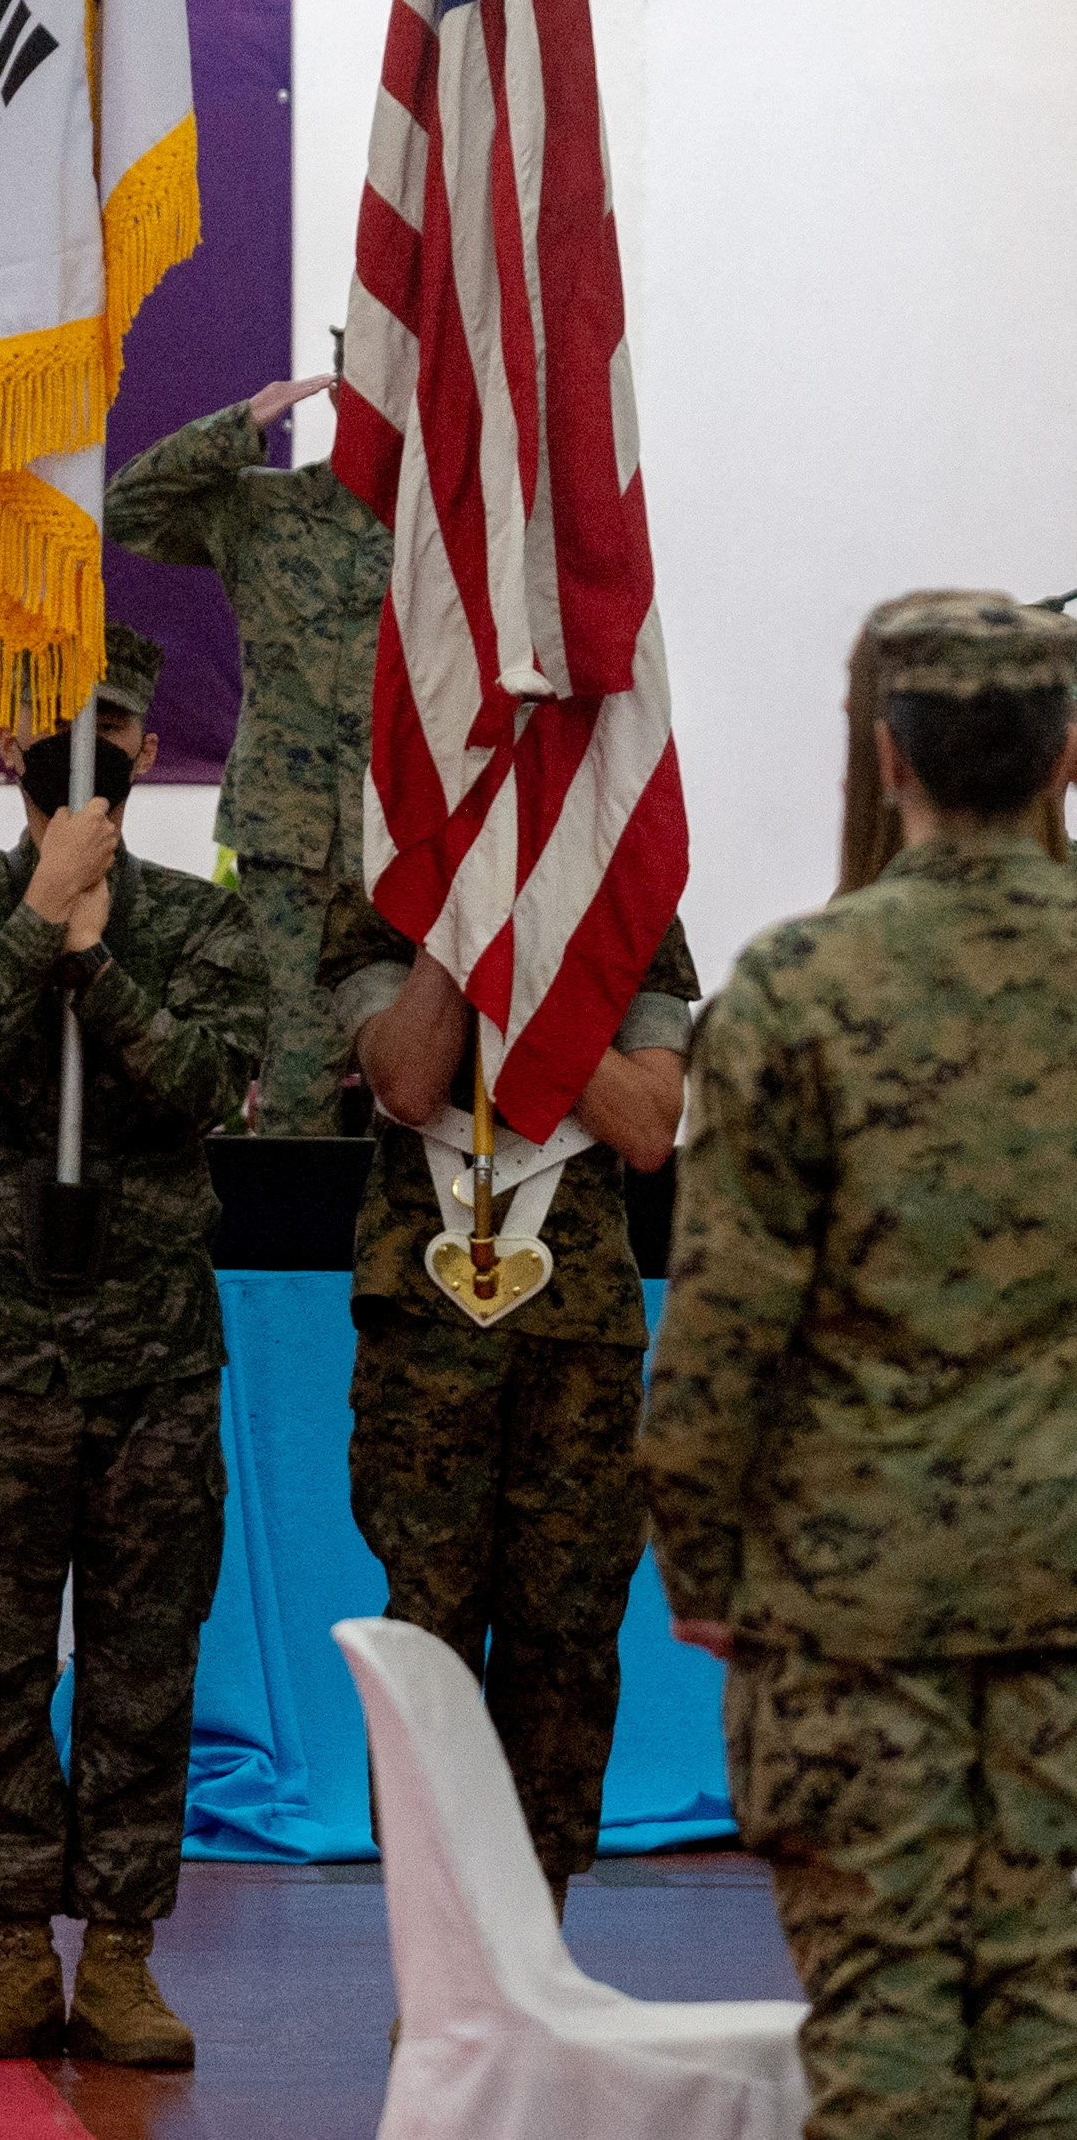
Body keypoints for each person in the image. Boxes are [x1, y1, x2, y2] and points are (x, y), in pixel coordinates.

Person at [646, 590, 1077, 2140]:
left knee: (884, 2013)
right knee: (1058, 2018)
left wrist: (700, 1555)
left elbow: (716, 1331)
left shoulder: (796, 989)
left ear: (886, 758)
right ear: (1064, 760)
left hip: (848, 1613)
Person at [0, 624, 269, 2070]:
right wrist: (38, 910)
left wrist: (96, 954)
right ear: (7, 748)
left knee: (138, 1663)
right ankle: (6, 1949)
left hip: (149, 1354)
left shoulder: (206, 921)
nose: (81, 753)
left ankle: (117, 1951)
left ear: (146, 750)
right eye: (55, 728)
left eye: (108, 728)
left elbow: (194, 1088)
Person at [326, 885, 694, 1915]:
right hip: (425, 1327)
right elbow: (405, 1079)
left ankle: (536, 1944)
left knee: (564, 1636)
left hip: (577, 1331)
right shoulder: (387, 898)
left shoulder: (631, 892)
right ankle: (438, 1968)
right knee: (429, 1636)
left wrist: (537, 976)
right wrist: (468, 925)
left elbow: (648, 1123)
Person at [100, 363, 382, 1131]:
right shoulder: (265, 506)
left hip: (412, 842)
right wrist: (240, 425)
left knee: (420, 1088)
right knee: (294, 1084)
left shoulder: (451, 531)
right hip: (291, 849)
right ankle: (303, 1253)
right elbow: (127, 508)